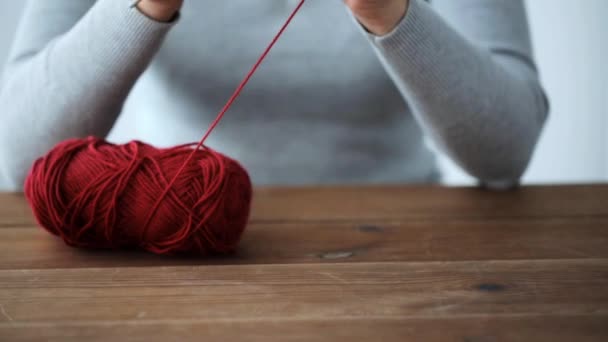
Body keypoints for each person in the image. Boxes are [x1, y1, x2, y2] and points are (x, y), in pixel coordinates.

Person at [0, 0, 548, 190]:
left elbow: (507, 151)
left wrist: (387, 11)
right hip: (175, 254)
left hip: (401, 254)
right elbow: (22, 155)